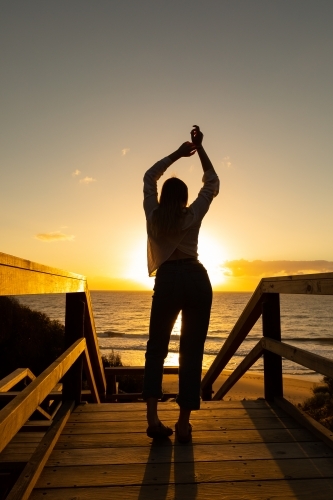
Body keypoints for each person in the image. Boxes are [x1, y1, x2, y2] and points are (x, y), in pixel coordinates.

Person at [142, 125, 219, 443]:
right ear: (185, 198)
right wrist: (199, 149)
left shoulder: (154, 215)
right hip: (197, 279)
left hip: (169, 279)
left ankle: (153, 420)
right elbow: (212, 183)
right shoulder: (192, 215)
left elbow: (148, 177)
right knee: (191, 351)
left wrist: (177, 153)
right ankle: (184, 424)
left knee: (156, 349)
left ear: (162, 196)